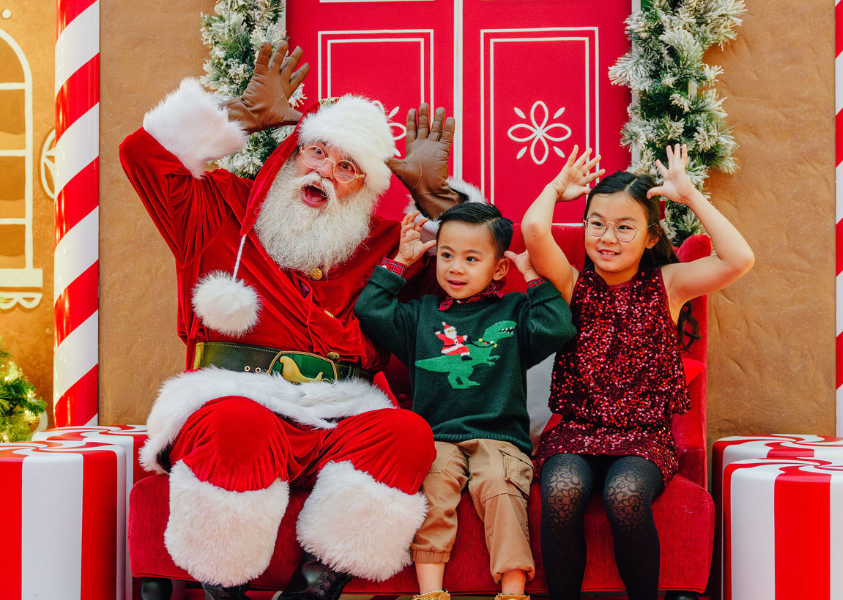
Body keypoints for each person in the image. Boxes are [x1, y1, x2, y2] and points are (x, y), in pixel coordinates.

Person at [119, 40, 479, 600]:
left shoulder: (387, 243)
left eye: (347, 167)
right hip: (234, 402)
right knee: (241, 424)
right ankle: (224, 585)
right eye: (318, 154)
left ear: (367, 191)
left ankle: (315, 587)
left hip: (338, 414)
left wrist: (439, 204)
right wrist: (233, 116)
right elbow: (141, 156)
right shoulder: (218, 208)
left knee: (406, 433)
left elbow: (485, 280)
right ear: (292, 154)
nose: (326, 172)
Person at [521, 144, 754, 600]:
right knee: (563, 490)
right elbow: (533, 228)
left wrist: (690, 197)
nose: (608, 238)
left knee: (625, 494)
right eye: (597, 224)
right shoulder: (573, 284)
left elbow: (738, 259)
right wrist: (556, 188)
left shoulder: (668, 285)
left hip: (643, 437)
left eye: (625, 227)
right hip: (578, 431)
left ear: (650, 237)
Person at [355, 203, 576, 600]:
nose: (455, 268)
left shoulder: (514, 312)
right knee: (434, 490)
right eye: (446, 255)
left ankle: (512, 592)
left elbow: (559, 326)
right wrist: (401, 261)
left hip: (500, 438)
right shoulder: (420, 315)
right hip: (437, 436)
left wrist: (532, 277)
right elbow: (371, 309)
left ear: (498, 268)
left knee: (500, 485)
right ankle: (430, 594)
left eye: (471, 258)